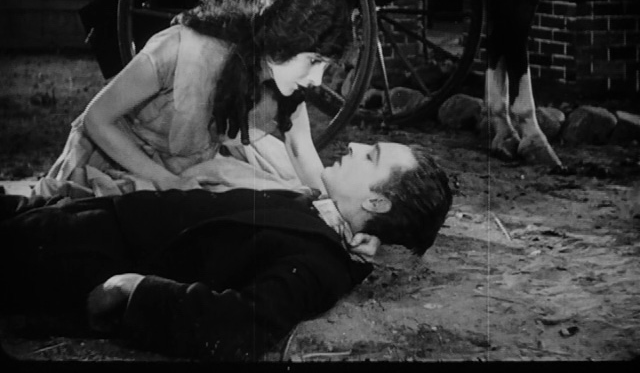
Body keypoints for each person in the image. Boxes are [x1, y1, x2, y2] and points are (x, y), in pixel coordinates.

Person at [0, 142, 452, 361]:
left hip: (81, 254)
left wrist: (136, 290)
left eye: (371, 156)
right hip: (86, 217)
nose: (355, 146)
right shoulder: (322, 215)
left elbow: (241, 326)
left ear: (377, 202)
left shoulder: (322, 265)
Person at [33, 0, 353, 199]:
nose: (317, 80)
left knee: (274, 200)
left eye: (325, 66)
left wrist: (332, 208)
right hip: (117, 158)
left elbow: (300, 149)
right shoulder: (182, 49)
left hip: (187, 170)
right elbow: (96, 119)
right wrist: (167, 181)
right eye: (314, 61)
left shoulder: (286, 86)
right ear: (282, 40)